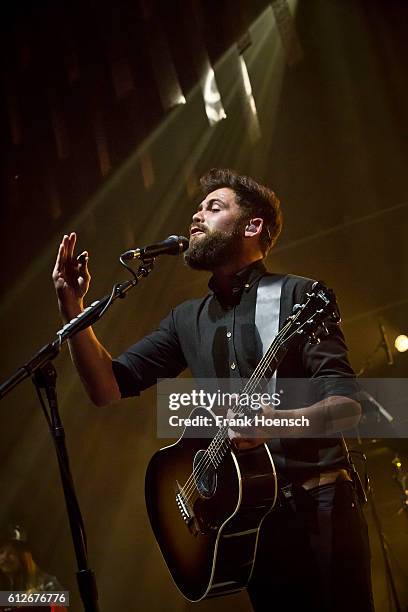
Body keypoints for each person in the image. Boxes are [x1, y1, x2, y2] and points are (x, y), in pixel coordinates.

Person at [52, 168, 374, 611]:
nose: (196, 216)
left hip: (317, 509)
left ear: (253, 226)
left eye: (213, 207)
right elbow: (107, 386)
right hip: (249, 523)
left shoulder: (298, 295)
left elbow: (347, 406)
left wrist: (277, 422)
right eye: (197, 208)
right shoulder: (187, 319)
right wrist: (74, 307)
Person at [0, 525, 66, 612]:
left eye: (11, 553)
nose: (4, 557)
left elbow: (60, 603)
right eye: (1, 552)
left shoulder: (46, 583)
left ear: (23, 556)